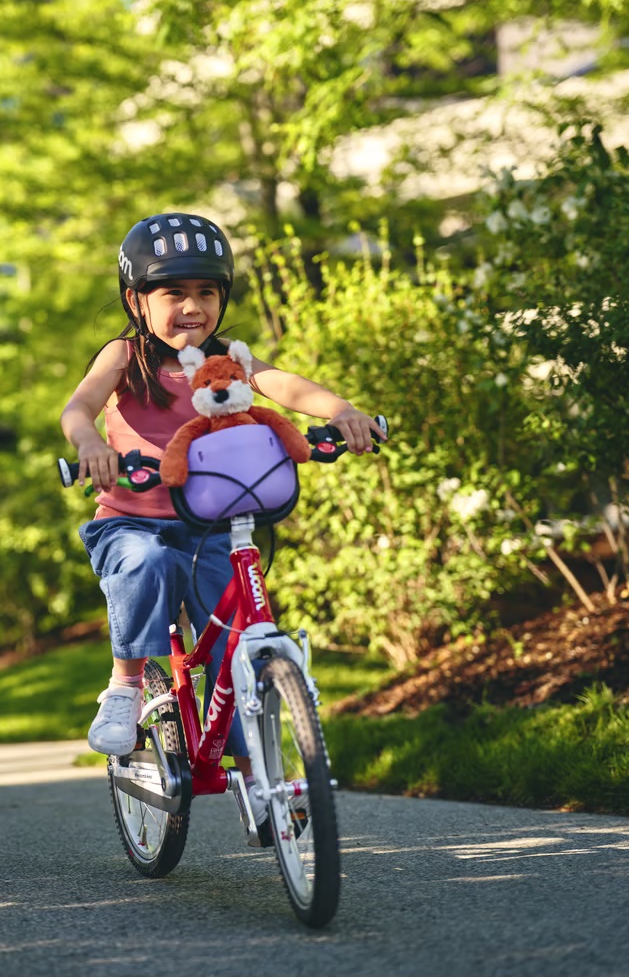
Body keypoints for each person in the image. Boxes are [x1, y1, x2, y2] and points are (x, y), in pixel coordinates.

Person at [59, 211, 385, 773]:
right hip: (132, 523)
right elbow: (79, 407)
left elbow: (279, 382)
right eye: (174, 293)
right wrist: (90, 444)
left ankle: (262, 773)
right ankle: (124, 685)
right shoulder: (124, 356)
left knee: (237, 634)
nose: (192, 306)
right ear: (136, 301)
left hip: (211, 523)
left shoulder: (226, 358)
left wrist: (341, 411)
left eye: (206, 291)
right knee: (147, 562)